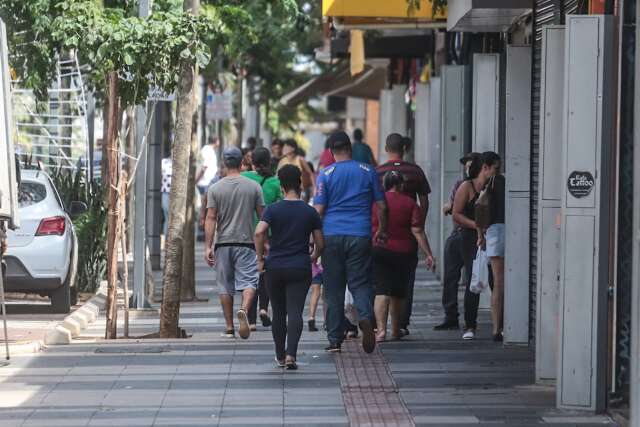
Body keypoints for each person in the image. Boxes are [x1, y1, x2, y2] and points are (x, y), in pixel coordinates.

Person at [314, 131, 388, 354]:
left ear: (330, 151)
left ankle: (335, 339)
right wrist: (382, 229)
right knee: (361, 283)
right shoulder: (368, 171)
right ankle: (365, 318)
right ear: (350, 148)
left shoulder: (325, 174)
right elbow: (382, 206)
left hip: (332, 235)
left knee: (334, 289)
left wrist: (314, 239)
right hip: (360, 234)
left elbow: (318, 210)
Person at [254, 165, 324, 370]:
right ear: (300, 185)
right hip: (299, 266)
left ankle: (280, 355)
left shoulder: (273, 209)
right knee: (295, 311)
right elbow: (321, 243)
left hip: (275, 266)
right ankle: (291, 354)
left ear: (282, 187)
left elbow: (259, 233)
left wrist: (260, 258)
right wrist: (314, 256)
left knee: (278, 312)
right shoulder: (309, 211)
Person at [204, 146, 265, 340]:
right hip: (246, 243)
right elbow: (262, 217)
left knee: (225, 286)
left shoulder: (215, 188)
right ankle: (244, 310)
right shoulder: (254, 187)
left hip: (223, 244)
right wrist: (264, 243)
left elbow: (211, 218)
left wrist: (208, 246)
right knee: (250, 282)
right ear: (241, 163)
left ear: (224, 164)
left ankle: (230, 327)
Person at [376, 133, 431, 335]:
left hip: (381, 237)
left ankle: (380, 326)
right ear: (405, 149)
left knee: (380, 283)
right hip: (407, 235)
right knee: (405, 282)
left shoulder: (378, 172)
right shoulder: (415, 171)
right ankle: (400, 324)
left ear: (385, 148)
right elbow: (424, 200)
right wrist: (419, 221)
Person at [435, 155, 491, 340]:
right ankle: (451, 316)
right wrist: (476, 225)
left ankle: (470, 323)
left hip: (477, 239)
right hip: (460, 236)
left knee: (473, 279)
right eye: (466, 167)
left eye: (469, 166)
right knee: (451, 277)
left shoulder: (491, 187)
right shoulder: (463, 185)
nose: (467, 170)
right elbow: (453, 211)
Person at [242, 147, 283, 330]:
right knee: (265, 272)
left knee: (249, 275)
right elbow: (281, 206)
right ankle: (264, 308)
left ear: (252, 162)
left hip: (248, 233)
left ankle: (250, 321)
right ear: (269, 162)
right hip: (270, 234)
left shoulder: (245, 179)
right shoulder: (275, 182)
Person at [476, 152, 505, 342]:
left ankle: (497, 328)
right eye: (496, 167)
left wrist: (480, 235)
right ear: (486, 167)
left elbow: (481, 212)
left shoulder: (488, 184)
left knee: (498, 282)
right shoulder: (499, 182)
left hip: (493, 232)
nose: (498, 171)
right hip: (501, 230)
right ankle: (499, 327)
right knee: (501, 282)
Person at [161, 155, 172, 237]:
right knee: (167, 215)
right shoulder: (164, 162)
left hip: (177, 193)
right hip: (165, 191)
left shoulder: (181, 162)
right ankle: (166, 239)